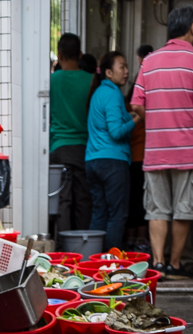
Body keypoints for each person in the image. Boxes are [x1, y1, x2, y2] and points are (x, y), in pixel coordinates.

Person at [130, 5, 193, 277]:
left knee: (156, 209)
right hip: (189, 152)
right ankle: (175, 264)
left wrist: (159, 120)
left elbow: (136, 104)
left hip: (156, 151)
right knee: (184, 210)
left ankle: (158, 263)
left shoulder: (149, 61)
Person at [85, 52, 140, 251]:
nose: (126, 71)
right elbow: (116, 132)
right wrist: (138, 119)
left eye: (126, 67)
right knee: (117, 215)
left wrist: (129, 116)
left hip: (93, 161)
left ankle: (94, 258)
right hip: (112, 162)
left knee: (100, 213)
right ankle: (112, 262)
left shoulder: (99, 92)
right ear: (108, 72)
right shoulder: (113, 94)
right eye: (122, 67)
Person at [50, 33, 95, 232]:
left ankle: (63, 245)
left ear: (59, 54)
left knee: (63, 199)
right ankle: (83, 243)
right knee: (83, 199)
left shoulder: (51, 81)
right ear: (80, 55)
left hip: (59, 147)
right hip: (85, 148)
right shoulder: (92, 80)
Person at [126, 44, 153, 248]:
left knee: (132, 200)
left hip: (132, 157)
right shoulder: (150, 100)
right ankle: (141, 241)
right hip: (144, 156)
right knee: (144, 201)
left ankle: (132, 240)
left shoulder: (128, 103)